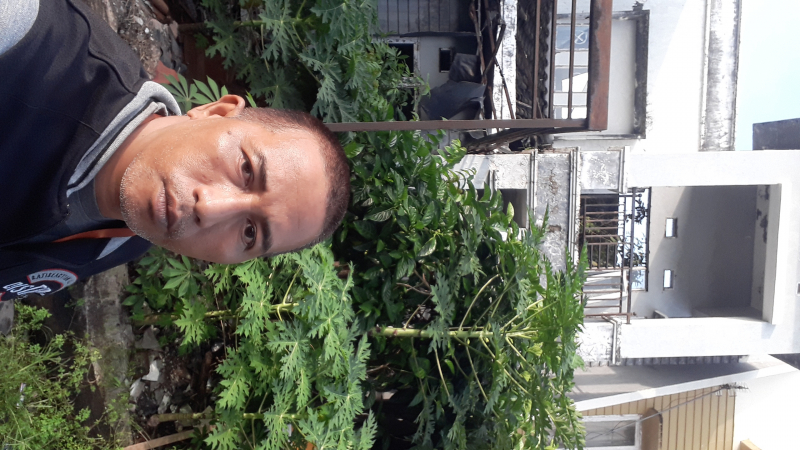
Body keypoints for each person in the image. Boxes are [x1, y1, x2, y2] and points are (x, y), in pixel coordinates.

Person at [0, 0, 350, 301]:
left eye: (250, 233)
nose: (209, 209)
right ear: (214, 111)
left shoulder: (127, 238)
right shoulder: (26, 39)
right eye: (246, 169)